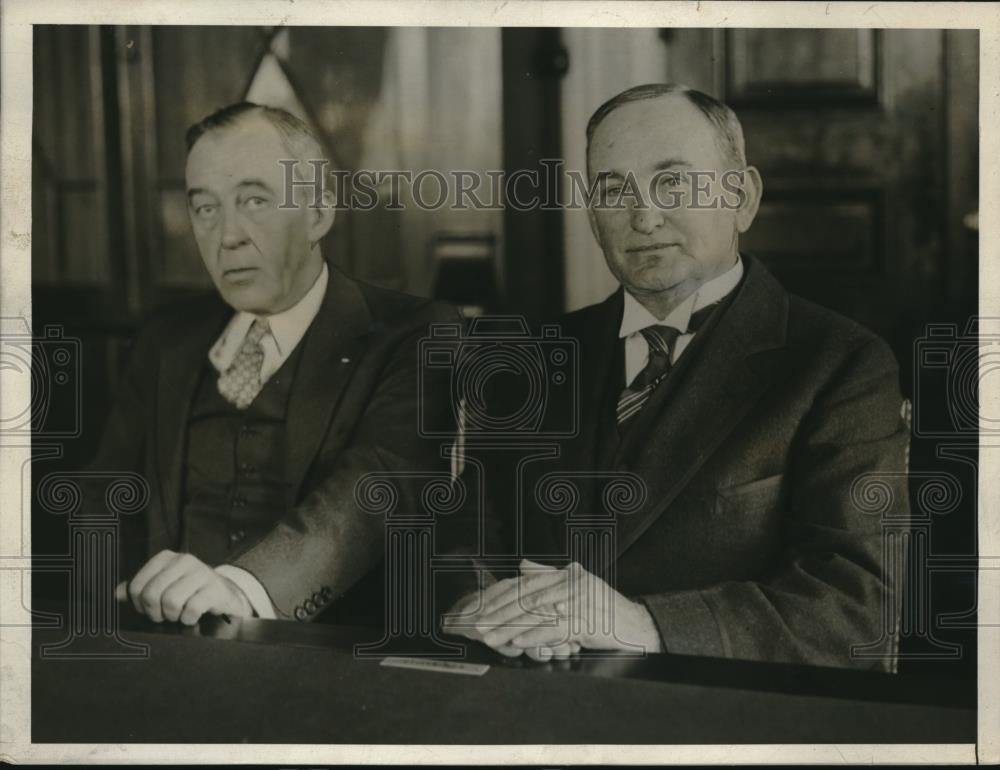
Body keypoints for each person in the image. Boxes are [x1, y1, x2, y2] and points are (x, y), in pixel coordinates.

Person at [443, 84, 909, 670]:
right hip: (533, 703)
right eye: (613, 189)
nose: (643, 216)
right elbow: (457, 536)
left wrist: (643, 624)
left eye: (674, 183)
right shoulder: (530, 359)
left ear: (741, 197)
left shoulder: (841, 364)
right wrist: (469, 604)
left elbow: (856, 607)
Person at [90, 102, 456, 625]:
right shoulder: (164, 342)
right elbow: (102, 497)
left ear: (318, 214)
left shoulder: (414, 334)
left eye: (254, 200)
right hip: (167, 653)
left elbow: (377, 489)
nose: (228, 236)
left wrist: (240, 592)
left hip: (326, 665)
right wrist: (118, 593)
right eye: (205, 208)